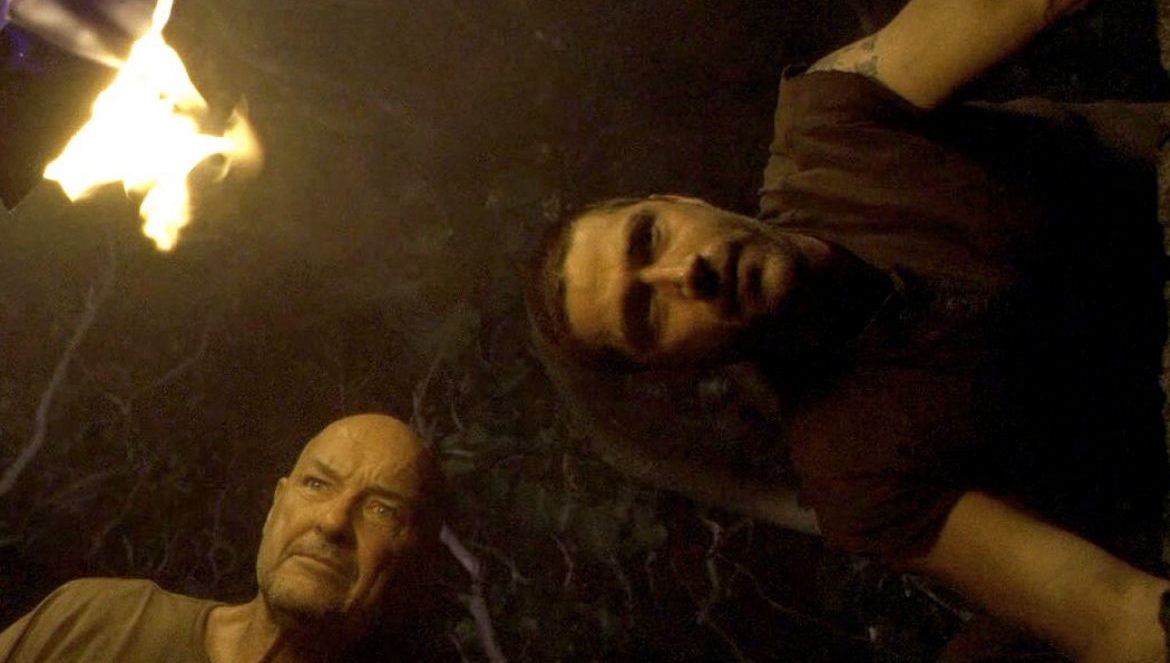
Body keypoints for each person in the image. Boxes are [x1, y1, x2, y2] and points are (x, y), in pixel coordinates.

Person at [526, 0, 1170, 660]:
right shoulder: (859, 479)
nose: (686, 272)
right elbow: (1110, 611)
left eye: (650, 237)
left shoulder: (831, 119)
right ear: (671, 367)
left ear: (679, 200)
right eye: (646, 312)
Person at [0, 413, 445, 663]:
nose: (333, 521)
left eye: (382, 509)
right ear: (275, 507)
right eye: (317, 484)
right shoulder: (97, 618)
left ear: (418, 561)